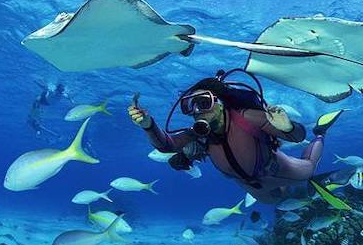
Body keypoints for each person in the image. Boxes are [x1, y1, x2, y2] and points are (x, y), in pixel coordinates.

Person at [127, 70, 343, 204]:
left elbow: (297, 136)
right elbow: (166, 145)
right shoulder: (200, 134)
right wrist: (148, 125)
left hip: (277, 169)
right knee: (277, 200)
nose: (199, 112)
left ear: (220, 102)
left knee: (308, 171)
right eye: (190, 107)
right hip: (249, 185)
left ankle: (321, 133)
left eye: (204, 103)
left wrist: (287, 128)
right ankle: (289, 199)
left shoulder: (247, 117)